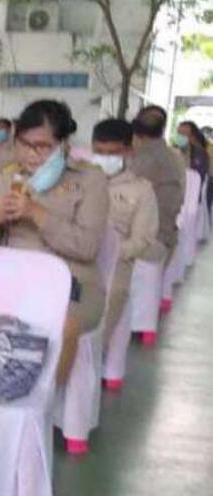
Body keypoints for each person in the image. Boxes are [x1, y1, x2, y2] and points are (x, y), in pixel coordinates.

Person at [0, 100, 109, 384]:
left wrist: (37, 214)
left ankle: (46, 399)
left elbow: (87, 247)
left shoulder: (89, 179)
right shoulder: (10, 177)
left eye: (43, 146)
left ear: (63, 144)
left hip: (72, 283)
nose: (31, 154)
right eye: (24, 144)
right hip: (12, 278)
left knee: (63, 322)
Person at [91, 119, 160, 348]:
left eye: (112, 153)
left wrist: (109, 250)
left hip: (115, 264)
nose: (104, 158)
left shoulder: (141, 190)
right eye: (99, 152)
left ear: (128, 152)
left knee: (111, 299)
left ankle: (96, 354)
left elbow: (143, 239)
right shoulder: (80, 180)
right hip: (75, 257)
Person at [130, 105, 185, 265]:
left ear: (136, 133)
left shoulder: (144, 160)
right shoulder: (174, 157)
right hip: (167, 235)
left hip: (151, 241)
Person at [176, 120, 210, 189]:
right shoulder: (173, 151)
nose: (179, 137)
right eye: (178, 133)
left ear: (192, 137)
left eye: (183, 134)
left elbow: (198, 176)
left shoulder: (200, 154)